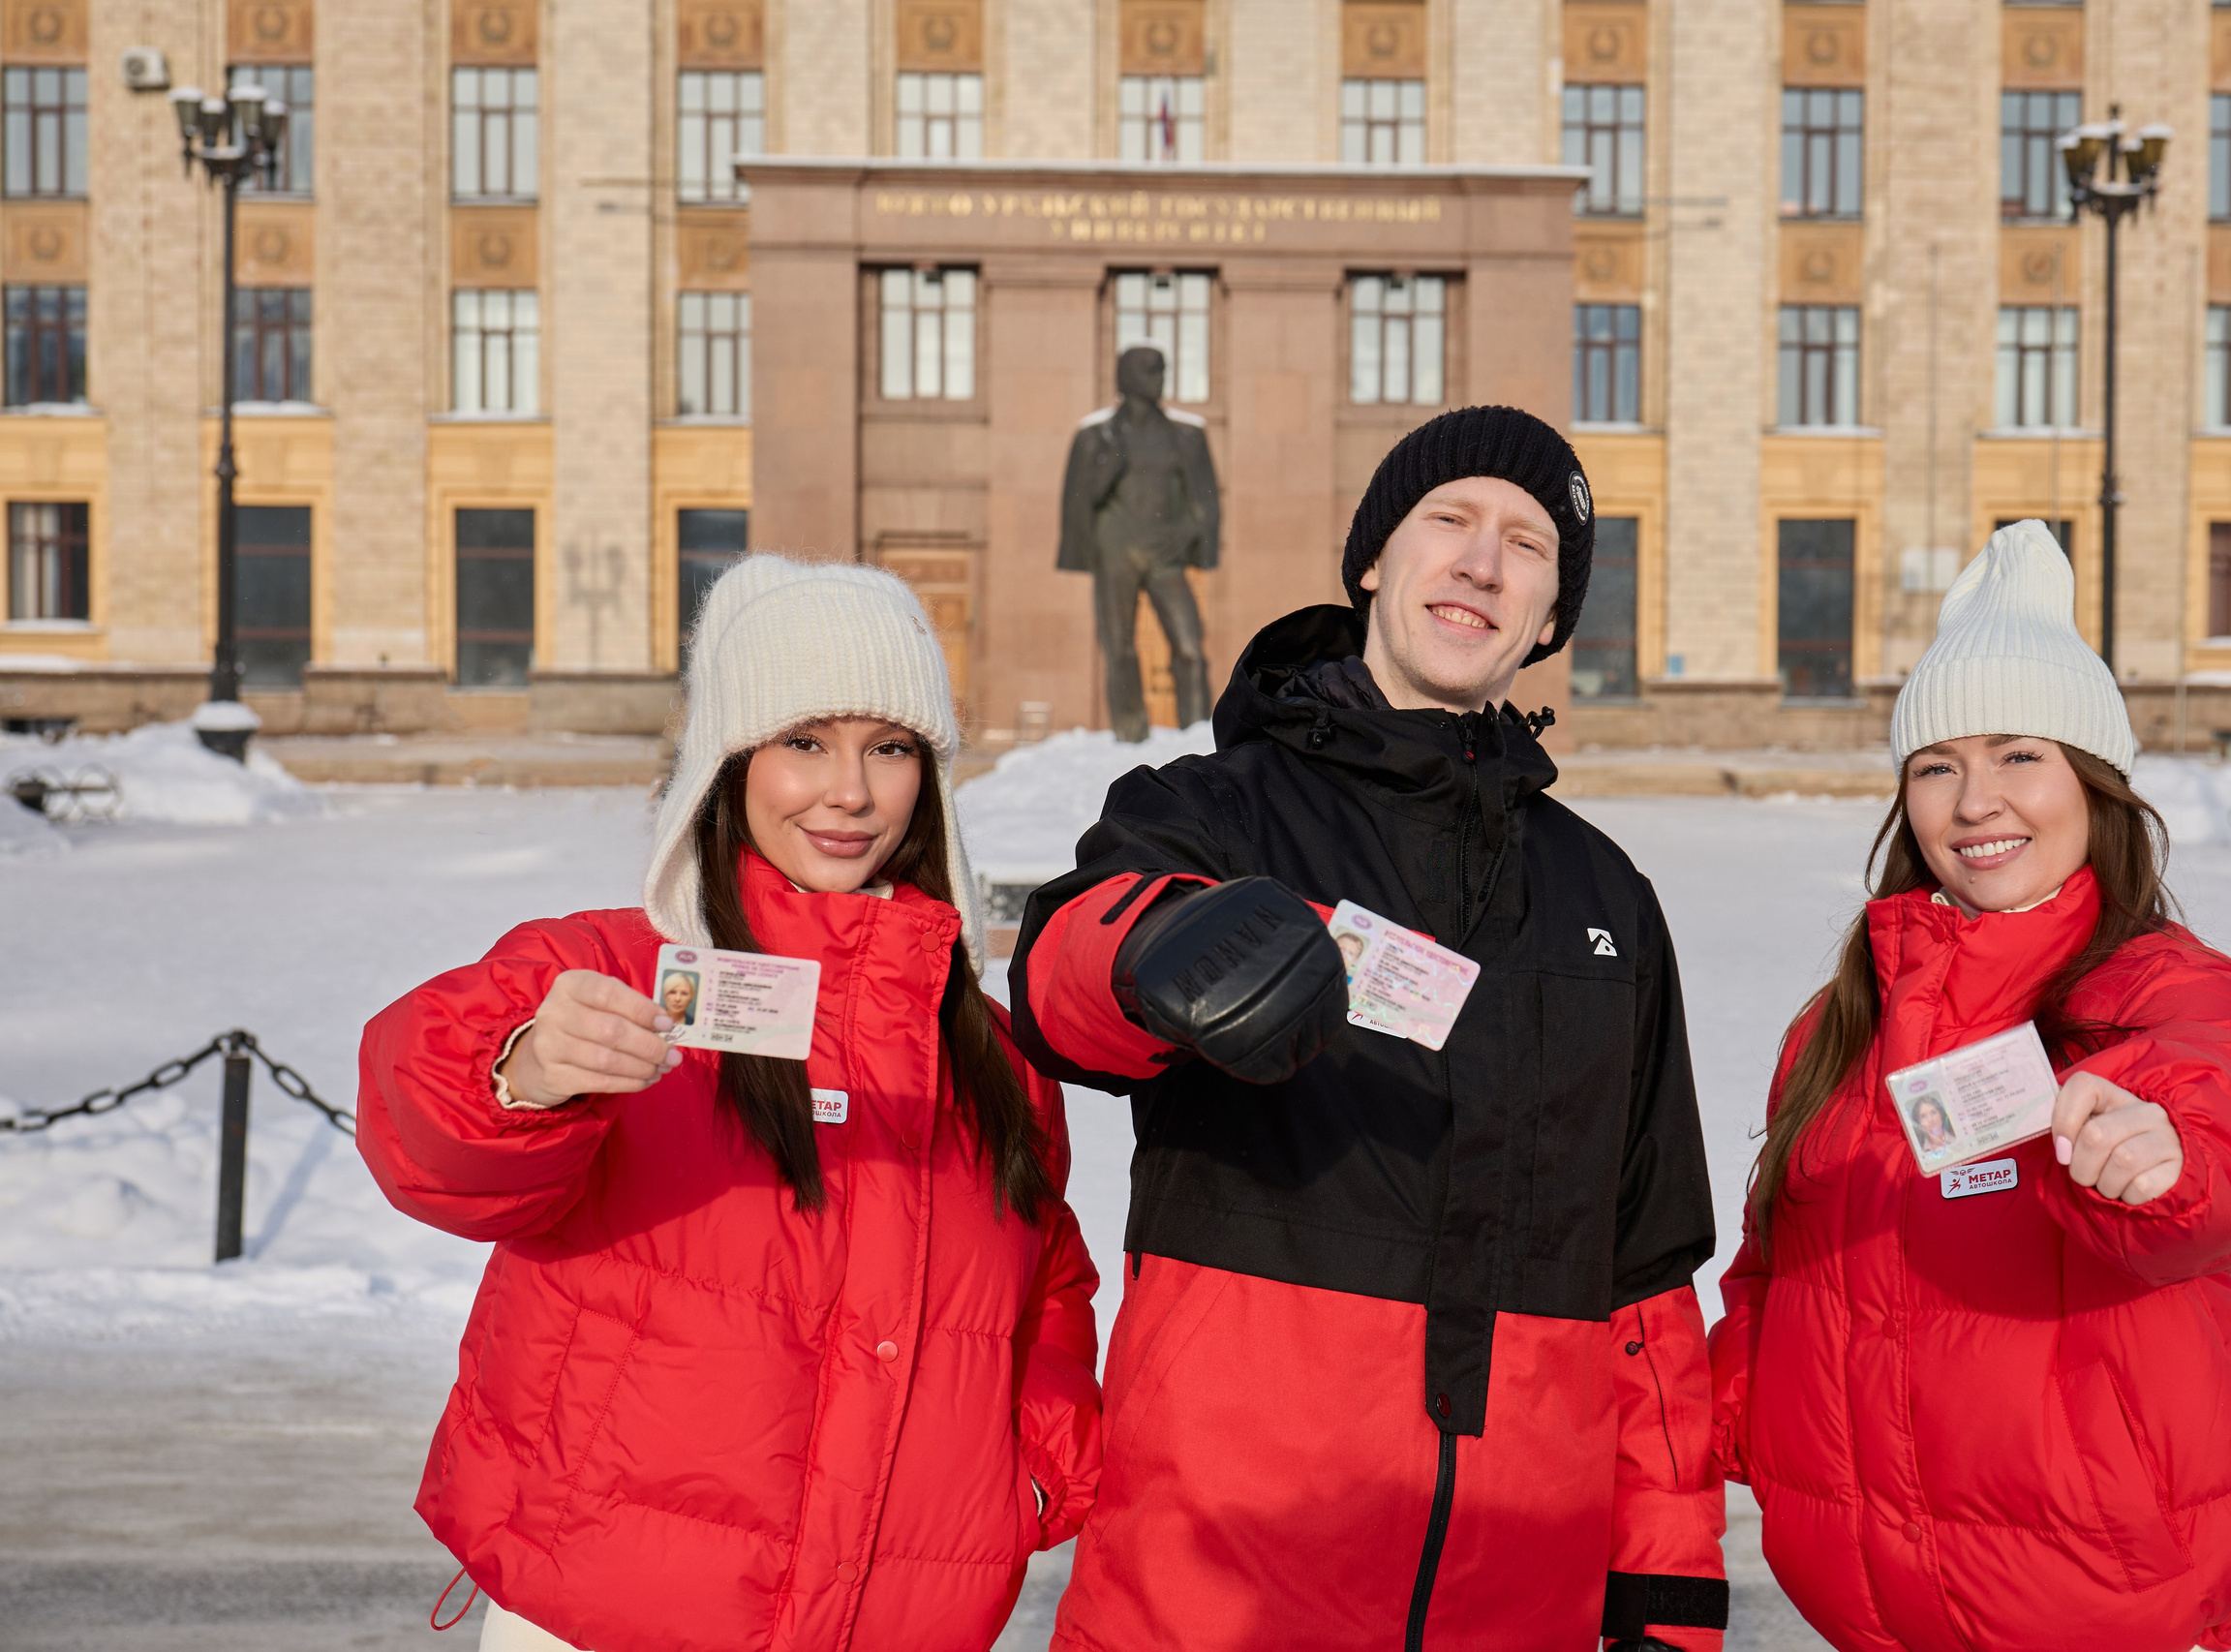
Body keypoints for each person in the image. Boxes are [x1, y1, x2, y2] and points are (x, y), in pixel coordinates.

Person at [1011, 406, 1727, 1652]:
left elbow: (1645, 1285)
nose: (1481, 563)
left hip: (1514, 1607)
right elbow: (1060, 983)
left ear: (1549, 618)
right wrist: (1154, 946)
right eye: (1449, 519)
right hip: (1214, 1593)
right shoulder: (1215, 812)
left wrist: (1665, 1596)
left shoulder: (1605, 897)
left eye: (1527, 546)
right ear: (1373, 562)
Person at [357, 558, 1102, 1652]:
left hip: (892, 1622)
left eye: (889, 747)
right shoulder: (611, 971)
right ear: (730, 759)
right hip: (601, 1613)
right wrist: (526, 1070)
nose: (850, 792)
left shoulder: (984, 1048)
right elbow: (423, 1122)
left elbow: (1043, 1287)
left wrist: (1028, 1472)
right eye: (804, 741)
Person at [1707, 522, 2231, 1652]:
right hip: (1876, 1616)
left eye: (2017, 754)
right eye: (1936, 766)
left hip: (2124, 1610)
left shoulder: (2159, 985)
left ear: (2093, 783)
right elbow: (1774, 1267)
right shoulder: (1840, 1024)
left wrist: (2171, 1156)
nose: (1974, 799)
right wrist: (1728, 1419)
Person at [1058, 343, 1222, 742]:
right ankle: (1130, 734)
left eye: (1161, 370)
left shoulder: (1186, 436)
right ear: (1128, 377)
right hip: (1116, 551)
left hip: (1166, 555)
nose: (1159, 379)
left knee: (1189, 647)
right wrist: (1107, 471)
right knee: (1119, 647)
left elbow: (1205, 499)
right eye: (1151, 371)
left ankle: (1198, 737)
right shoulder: (1097, 436)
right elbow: (1078, 503)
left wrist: (1191, 534)